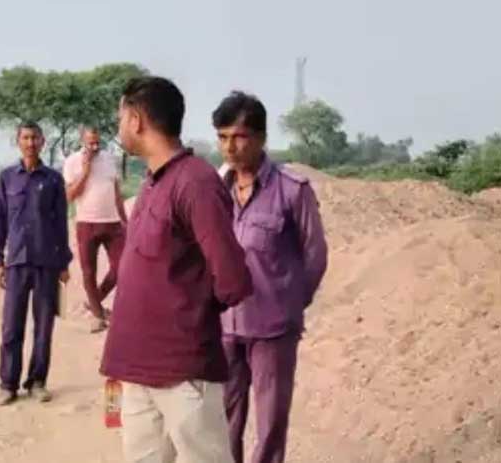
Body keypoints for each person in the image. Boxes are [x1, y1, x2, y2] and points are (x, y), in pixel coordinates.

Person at [100, 76, 252, 463]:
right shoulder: (154, 183)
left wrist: (186, 313)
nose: (120, 127)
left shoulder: (195, 182)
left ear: (136, 120)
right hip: (137, 369)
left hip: (183, 371)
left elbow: (232, 280)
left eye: (121, 118)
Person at [212, 91, 328, 463]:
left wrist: (288, 302)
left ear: (261, 138)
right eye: (222, 137)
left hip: (273, 330)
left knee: (271, 424)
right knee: (222, 420)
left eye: (239, 136)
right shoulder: (215, 190)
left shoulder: (292, 190)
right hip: (223, 327)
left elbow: (315, 256)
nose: (230, 147)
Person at [0, 121, 73, 406]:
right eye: (25, 138)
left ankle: (37, 382)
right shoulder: (7, 178)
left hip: (46, 262)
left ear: (42, 142)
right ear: (18, 141)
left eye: (35, 138)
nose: (30, 143)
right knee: (11, 327)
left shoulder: (53, 179)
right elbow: (0, 220)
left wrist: (64, 262)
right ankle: (8, 385)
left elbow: (60, 223)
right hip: (16, 263)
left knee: (44, 327)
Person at [62, 126, 129, 333]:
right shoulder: (72, 162)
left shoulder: (109, 159)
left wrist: (125, 221)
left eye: (97, 142)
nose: (94, 146)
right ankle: (98, 316)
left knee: (122, 268)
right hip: (86, 223)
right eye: (90, 142)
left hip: (112, 222)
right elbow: (70, 196)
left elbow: (116, 192)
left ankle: (95, 301)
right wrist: (86, 171)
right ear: (82, 141)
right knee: (88, 272)